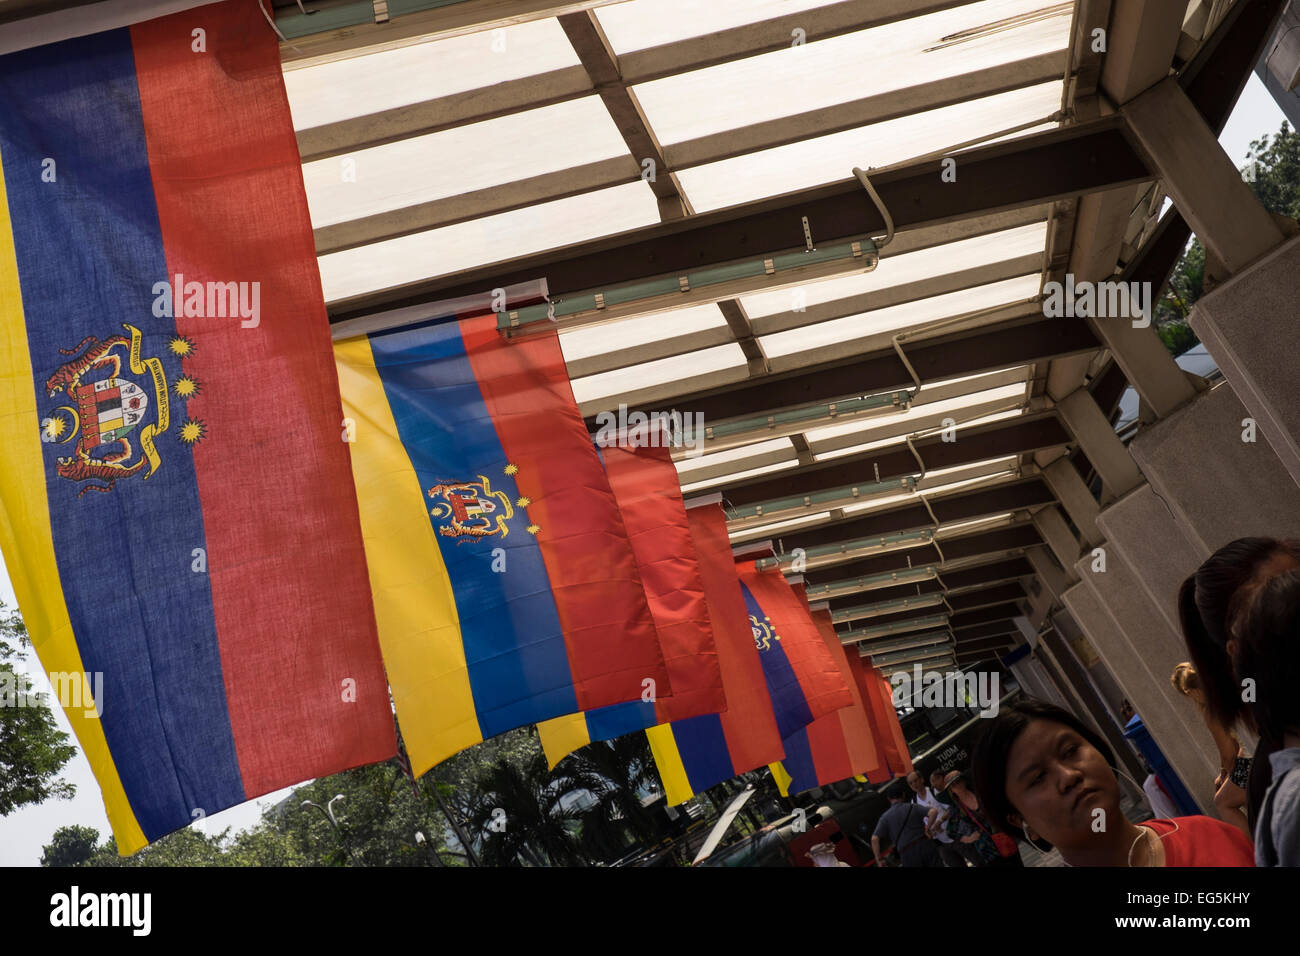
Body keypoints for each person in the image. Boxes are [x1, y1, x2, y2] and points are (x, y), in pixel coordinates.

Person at [972, 698, 1254, 867]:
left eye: (1071, 751)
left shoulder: (1208, 835)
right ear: (1019, 820)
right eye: (1037, 778)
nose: (1068, 777)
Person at [1228, 566, 1300, 865]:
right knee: (1225, 801)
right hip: (1246, 760)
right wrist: (1233, 772)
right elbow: (1228, 750)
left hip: (1246, 759)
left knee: (1224, 801)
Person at [1169, 662, 1250, 837]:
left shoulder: (1211, 711)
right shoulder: (1229, 686)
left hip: (1251, 758)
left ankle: (1253, 851)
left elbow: (1228, 755)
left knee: (1222, 801)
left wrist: (1223, 775)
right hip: (1264, 744)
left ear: (1191, 692)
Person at [940, 770, 1022, 866]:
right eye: (953, 785)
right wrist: (968, 838)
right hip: (987, 849)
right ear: (951, 790)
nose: (957, 786)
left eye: (958, 781)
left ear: (964, 781)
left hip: (1003, 837)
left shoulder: (980, 793)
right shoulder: (956, 809)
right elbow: (950, 832)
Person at [872, 780, 942, 867]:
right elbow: (933, 812)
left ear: (889, 799)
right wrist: (928, 828)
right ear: (903, 795)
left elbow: (874, 839)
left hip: (907, 854)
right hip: (925, 845)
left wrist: (879, 859)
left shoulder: (885, 818)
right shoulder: (912, 807)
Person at [907, 769, 963, 867]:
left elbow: (952, 808)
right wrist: (928, 832)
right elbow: (921, 824)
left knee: (976, 859)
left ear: (922, 779)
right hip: (940, 843)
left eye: (915, 780)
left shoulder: (934, 791)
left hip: (956, 834)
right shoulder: (914, 802)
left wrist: (940, 821)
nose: (914, 784)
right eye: (911, 783)